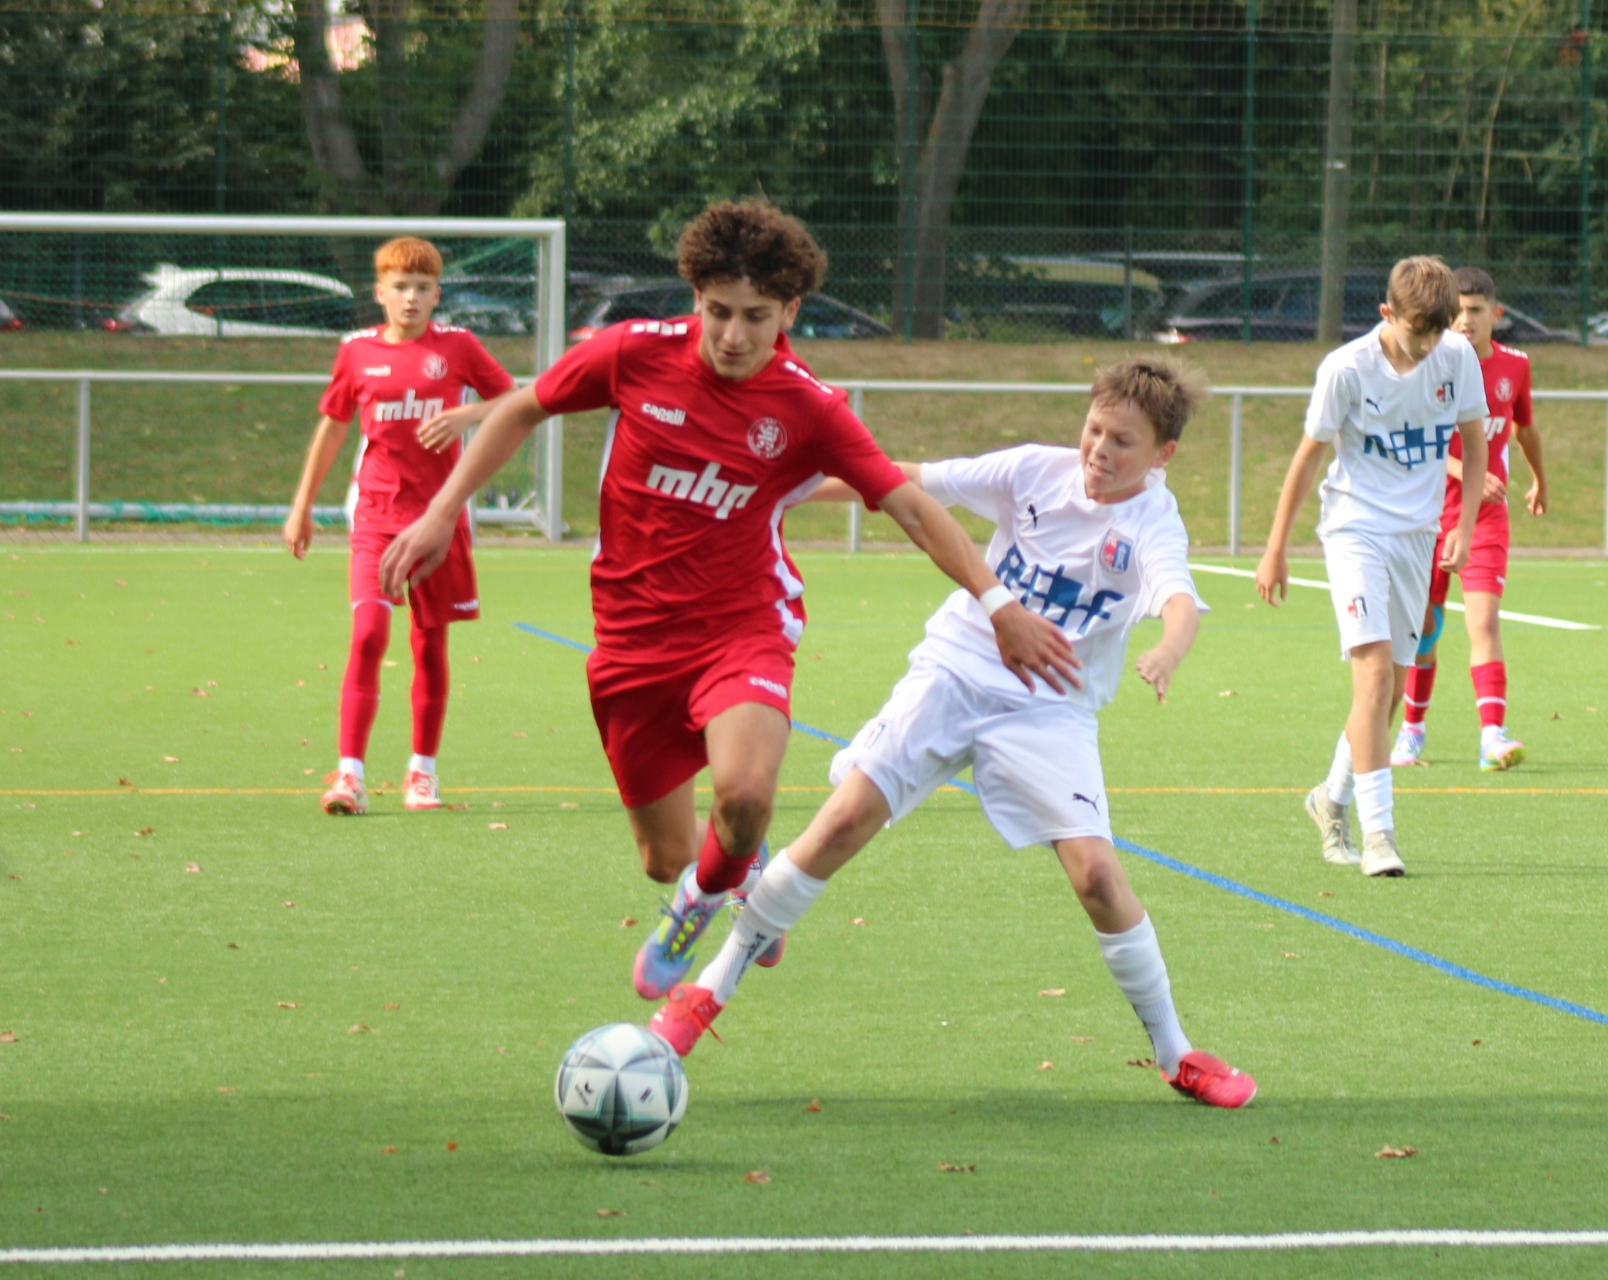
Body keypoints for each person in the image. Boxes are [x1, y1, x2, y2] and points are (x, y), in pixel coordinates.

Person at [377, 200, 1076, 1000]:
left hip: (742, 628)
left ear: (791, 312)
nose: (734, 336)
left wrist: (1000, 606)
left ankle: (702, 901)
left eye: (756, 317)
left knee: (744, 794)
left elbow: (911, 507)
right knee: (665, 857)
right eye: (718, 312)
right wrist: (442, 513)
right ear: (695, 298)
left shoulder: (808, 406)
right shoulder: (632, 353)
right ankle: (725, 871)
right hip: (631, 641)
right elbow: (523, 407)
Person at [646, 355, 1257, 1109]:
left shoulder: (1152, 523)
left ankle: (1176, 1053)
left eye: (1122, 441)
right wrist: (780, 490)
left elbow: (1178, 598)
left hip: (1049, 707)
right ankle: (704, 995)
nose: (1099, 449)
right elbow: (902, 480)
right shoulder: (1034, 471)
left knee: (1099, 877)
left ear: (1164, 454)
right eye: (1095, 429)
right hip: (956, 669)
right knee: (840, 824)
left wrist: (1168, 650)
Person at [1255, 256, 1487, 877]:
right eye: (1418, 331)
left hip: (1417, 537)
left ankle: (1330, 798)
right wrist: (1276, 547)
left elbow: (1475, 444)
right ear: (1387, 313)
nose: (1429, 345)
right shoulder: (1347, 369)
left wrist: (1463, 527)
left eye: (1439, 331)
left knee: (1387, 693)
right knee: (1376, 673)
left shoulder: (1456, 357)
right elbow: (1309, 457)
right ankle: (1380, 835)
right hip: (1355, 529)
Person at [283, 236, 515, 817]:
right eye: (400, 287)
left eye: (422, 288)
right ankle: (350, 775)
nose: (410, 298)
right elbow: (334, 426)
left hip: (439, 520)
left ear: (437, 295)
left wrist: (469, 413)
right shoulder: (356, 351)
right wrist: (302, 505)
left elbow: (515, 400)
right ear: (379, 293)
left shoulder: (458, 347)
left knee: (429, 644)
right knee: (368, 634)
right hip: (376, 515)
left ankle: (422, 773)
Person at [1391, 266, 1549, 771]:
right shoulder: (1428, 363)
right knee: (1425, 628)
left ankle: (1492, 736)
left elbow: (1525, 427)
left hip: (1485, 519)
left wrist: (1539, 479)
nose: (1465, 320)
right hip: (1427, 515)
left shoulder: (1515, 367)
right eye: (1457, 311)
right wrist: (1467, 473)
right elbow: (1411, 436)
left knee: (1483, 620)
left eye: (1476, 310)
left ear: (1495, 314)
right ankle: (1412, 731)